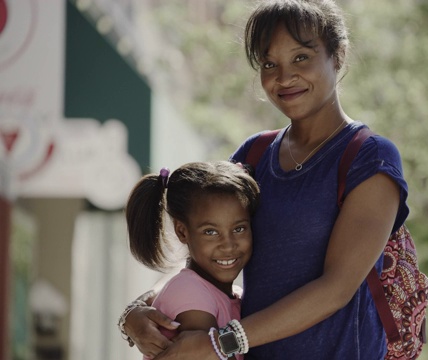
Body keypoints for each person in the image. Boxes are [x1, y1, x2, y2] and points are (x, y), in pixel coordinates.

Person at [119, 0, 410, 359]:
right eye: (269, 64)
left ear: (338, 56)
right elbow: (205, 262)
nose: (284, 77)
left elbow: (337, 288)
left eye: (301, 58)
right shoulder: (253, 155)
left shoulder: (369, 157)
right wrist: (135, 312)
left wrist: (220, 342)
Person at [121, 161, 260, 360]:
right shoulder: (190, 293)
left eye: (239, 229)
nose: (228, 245)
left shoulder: (231, 294)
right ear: (182, 232)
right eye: (210, 232)